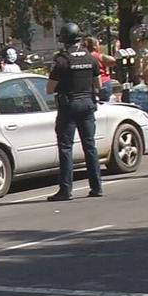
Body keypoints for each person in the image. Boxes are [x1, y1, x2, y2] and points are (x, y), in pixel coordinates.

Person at [46, 23, 103, 201]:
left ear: (64, 40)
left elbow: (49, 88)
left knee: (65, 147)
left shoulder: (62, 60)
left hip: (69, 105)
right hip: (87, 104)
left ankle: (66, 190)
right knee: (90, 146)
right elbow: (98, 84)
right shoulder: (90, 58)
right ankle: (96, 187)